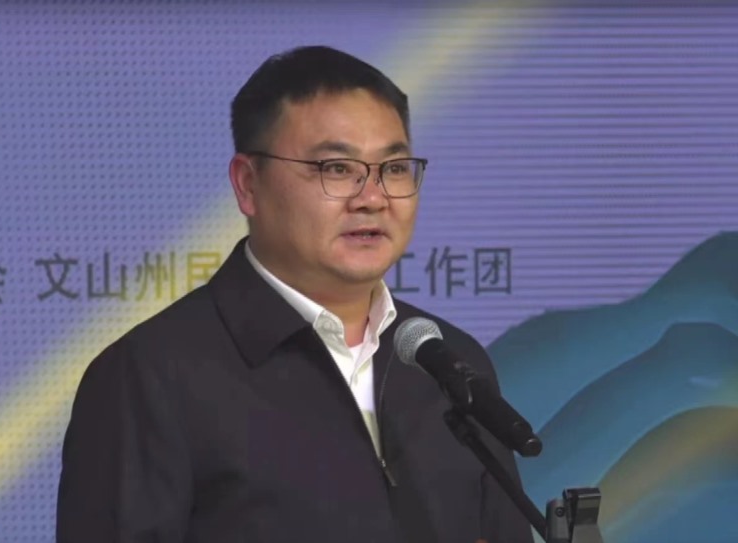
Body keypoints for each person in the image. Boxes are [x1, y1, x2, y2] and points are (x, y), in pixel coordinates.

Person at [57, 45, 533, 543]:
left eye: (393, 168)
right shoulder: (149, 377)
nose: (373, 198)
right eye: (336, 168)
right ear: (248, 184)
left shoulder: (448, 362)